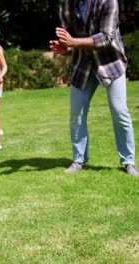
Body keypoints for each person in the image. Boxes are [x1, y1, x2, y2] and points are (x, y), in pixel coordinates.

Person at [49, 0, 138, 176]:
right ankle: (79, 160)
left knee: (119, 111)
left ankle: (129, 161)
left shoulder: (108, 2)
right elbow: (71, 41)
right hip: (83, 65)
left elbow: (107, 37)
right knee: (76, 114)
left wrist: (73, 42)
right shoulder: (67, 5)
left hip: (111, 63)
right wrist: (65, 47)